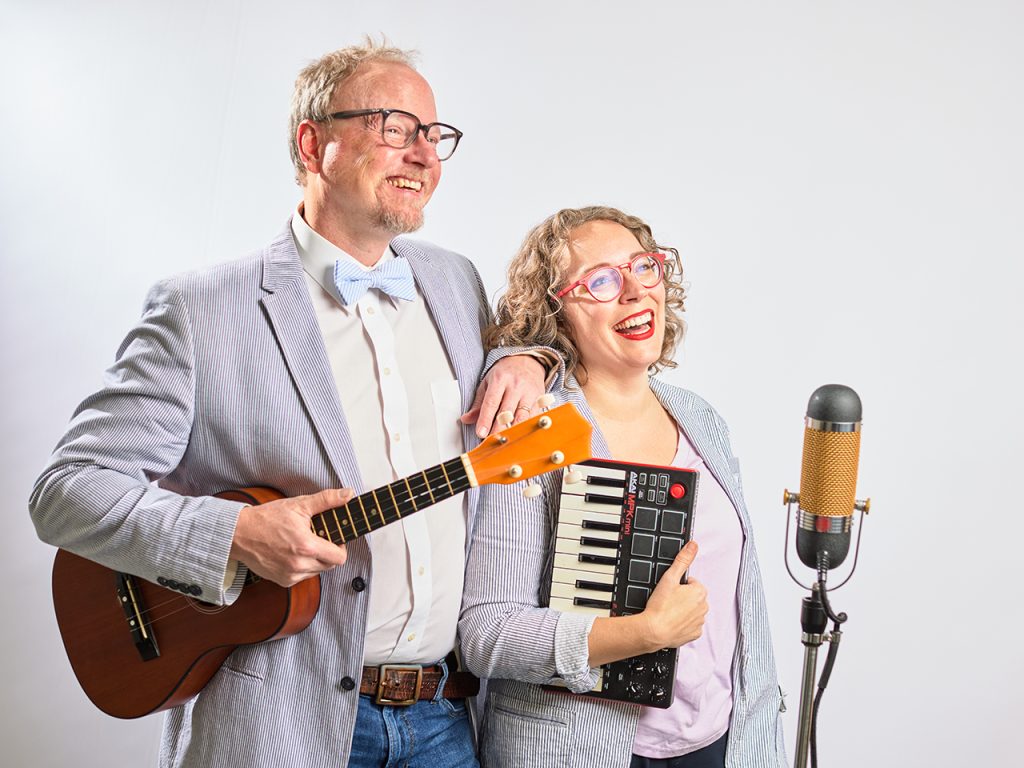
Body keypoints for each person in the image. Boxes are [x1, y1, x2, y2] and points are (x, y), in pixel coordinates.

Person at [30, 41, 551, 768]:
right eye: (396, 127)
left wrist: (527, 358)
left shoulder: (455, 282)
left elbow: (524, 351)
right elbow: (65, 493)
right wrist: (234, 534)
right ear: (314, 143)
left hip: (445, 719)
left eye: (436, 137)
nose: (425, 156)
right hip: (277, 723)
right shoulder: (200, 310)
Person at [459, 206, 787, 767]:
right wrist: (642, 634)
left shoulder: (700, 420)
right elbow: (486, 632)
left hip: (724, 742)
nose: (635, 291)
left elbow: (743, 607)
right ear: (556, 312)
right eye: (603, 281)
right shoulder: (533, 428)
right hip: (580, 749)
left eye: (644, 267)